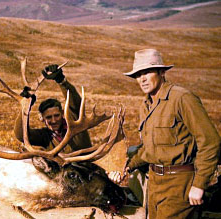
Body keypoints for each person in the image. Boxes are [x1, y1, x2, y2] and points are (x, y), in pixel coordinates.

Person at [108, 49, 220, 218]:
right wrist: (126, 167)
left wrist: (199, 185)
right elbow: (148, 150)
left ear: (162, 72)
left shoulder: (182, 98)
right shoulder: (146, 105)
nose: (142, 79)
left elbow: (210, 142)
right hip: (154, 185)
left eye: (147, 72)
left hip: (180, 185)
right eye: (138, 75)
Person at [14, 64, 92, 153]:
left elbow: (74, 103)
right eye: (48, 117)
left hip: (88, 166)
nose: (54, 120)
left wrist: (62, 81)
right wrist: (26, 106)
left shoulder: (76, 127)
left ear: (63, 113)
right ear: (42, 118)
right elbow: (21, 135)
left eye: (57, 115)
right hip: (61, 167)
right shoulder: (45, 136)